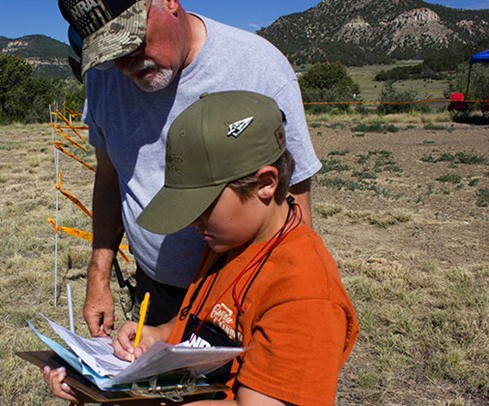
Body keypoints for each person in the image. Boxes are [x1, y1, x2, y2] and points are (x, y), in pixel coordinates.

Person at [45, 90, 359, 405]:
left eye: (203, 204)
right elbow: (200, 330)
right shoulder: (229, 242)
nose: (192, 221)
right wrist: (158, 336)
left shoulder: (304, 292)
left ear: (266, 183)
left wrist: (131, 398)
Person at [57, 0, 322, 337]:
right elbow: (109, 176)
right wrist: (98, 276)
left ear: (169, 2)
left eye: (132, 41)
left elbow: (294, 193)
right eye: (109, 55)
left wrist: (289, 299)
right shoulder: (103, 78)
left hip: (242, 291)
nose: (125, 63)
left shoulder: (257, 66)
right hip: (156, 291)